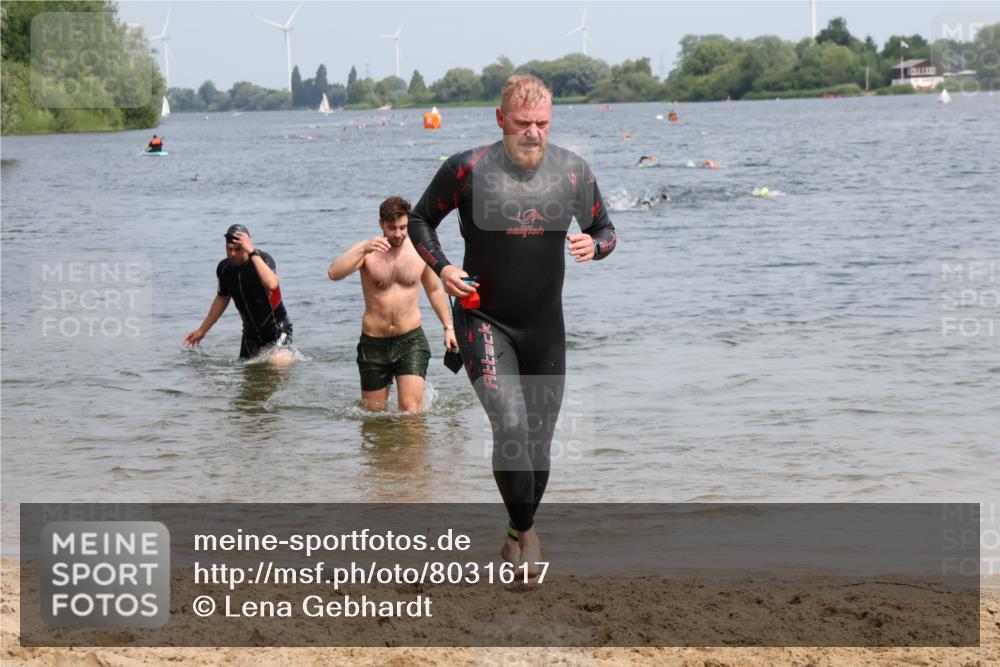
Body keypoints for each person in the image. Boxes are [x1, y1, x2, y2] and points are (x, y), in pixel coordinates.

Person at [407, 75, 617, 580]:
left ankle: (510, 531)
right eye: (523, 124)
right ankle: (529, 536)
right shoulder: (466, 168)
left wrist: (596, 247)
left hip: (544, 326)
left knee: (539, 442)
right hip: (484, 317)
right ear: (501, 120)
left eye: (542, 123)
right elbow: (419, 221)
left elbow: (605, 229)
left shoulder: (572, 172)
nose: (533, 133)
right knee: (511, 425)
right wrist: (442, 268)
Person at [328, 196, 457, 412]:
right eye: (392, 228)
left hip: (411, 341)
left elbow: (434, 290)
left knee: (410, 412)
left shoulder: (419, 250)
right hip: (373, 344)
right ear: (381, 225)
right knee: (373, 415)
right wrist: (364, 249)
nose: (397, 234)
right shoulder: (367, 251)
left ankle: (413, 447)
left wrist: (448, 327)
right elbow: (334, 273)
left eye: (403, 227)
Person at [183, 224, 295, 366]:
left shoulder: (263, 259)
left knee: (278, 364)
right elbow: (222, 298)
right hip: (251, 335)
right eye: (229, 249)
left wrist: (252, 252)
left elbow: (272, 284)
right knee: (247, 380)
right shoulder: (224, 268)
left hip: (278, 329)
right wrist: (202, 330)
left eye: (238, 249)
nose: (233, 254)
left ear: (248, 245)